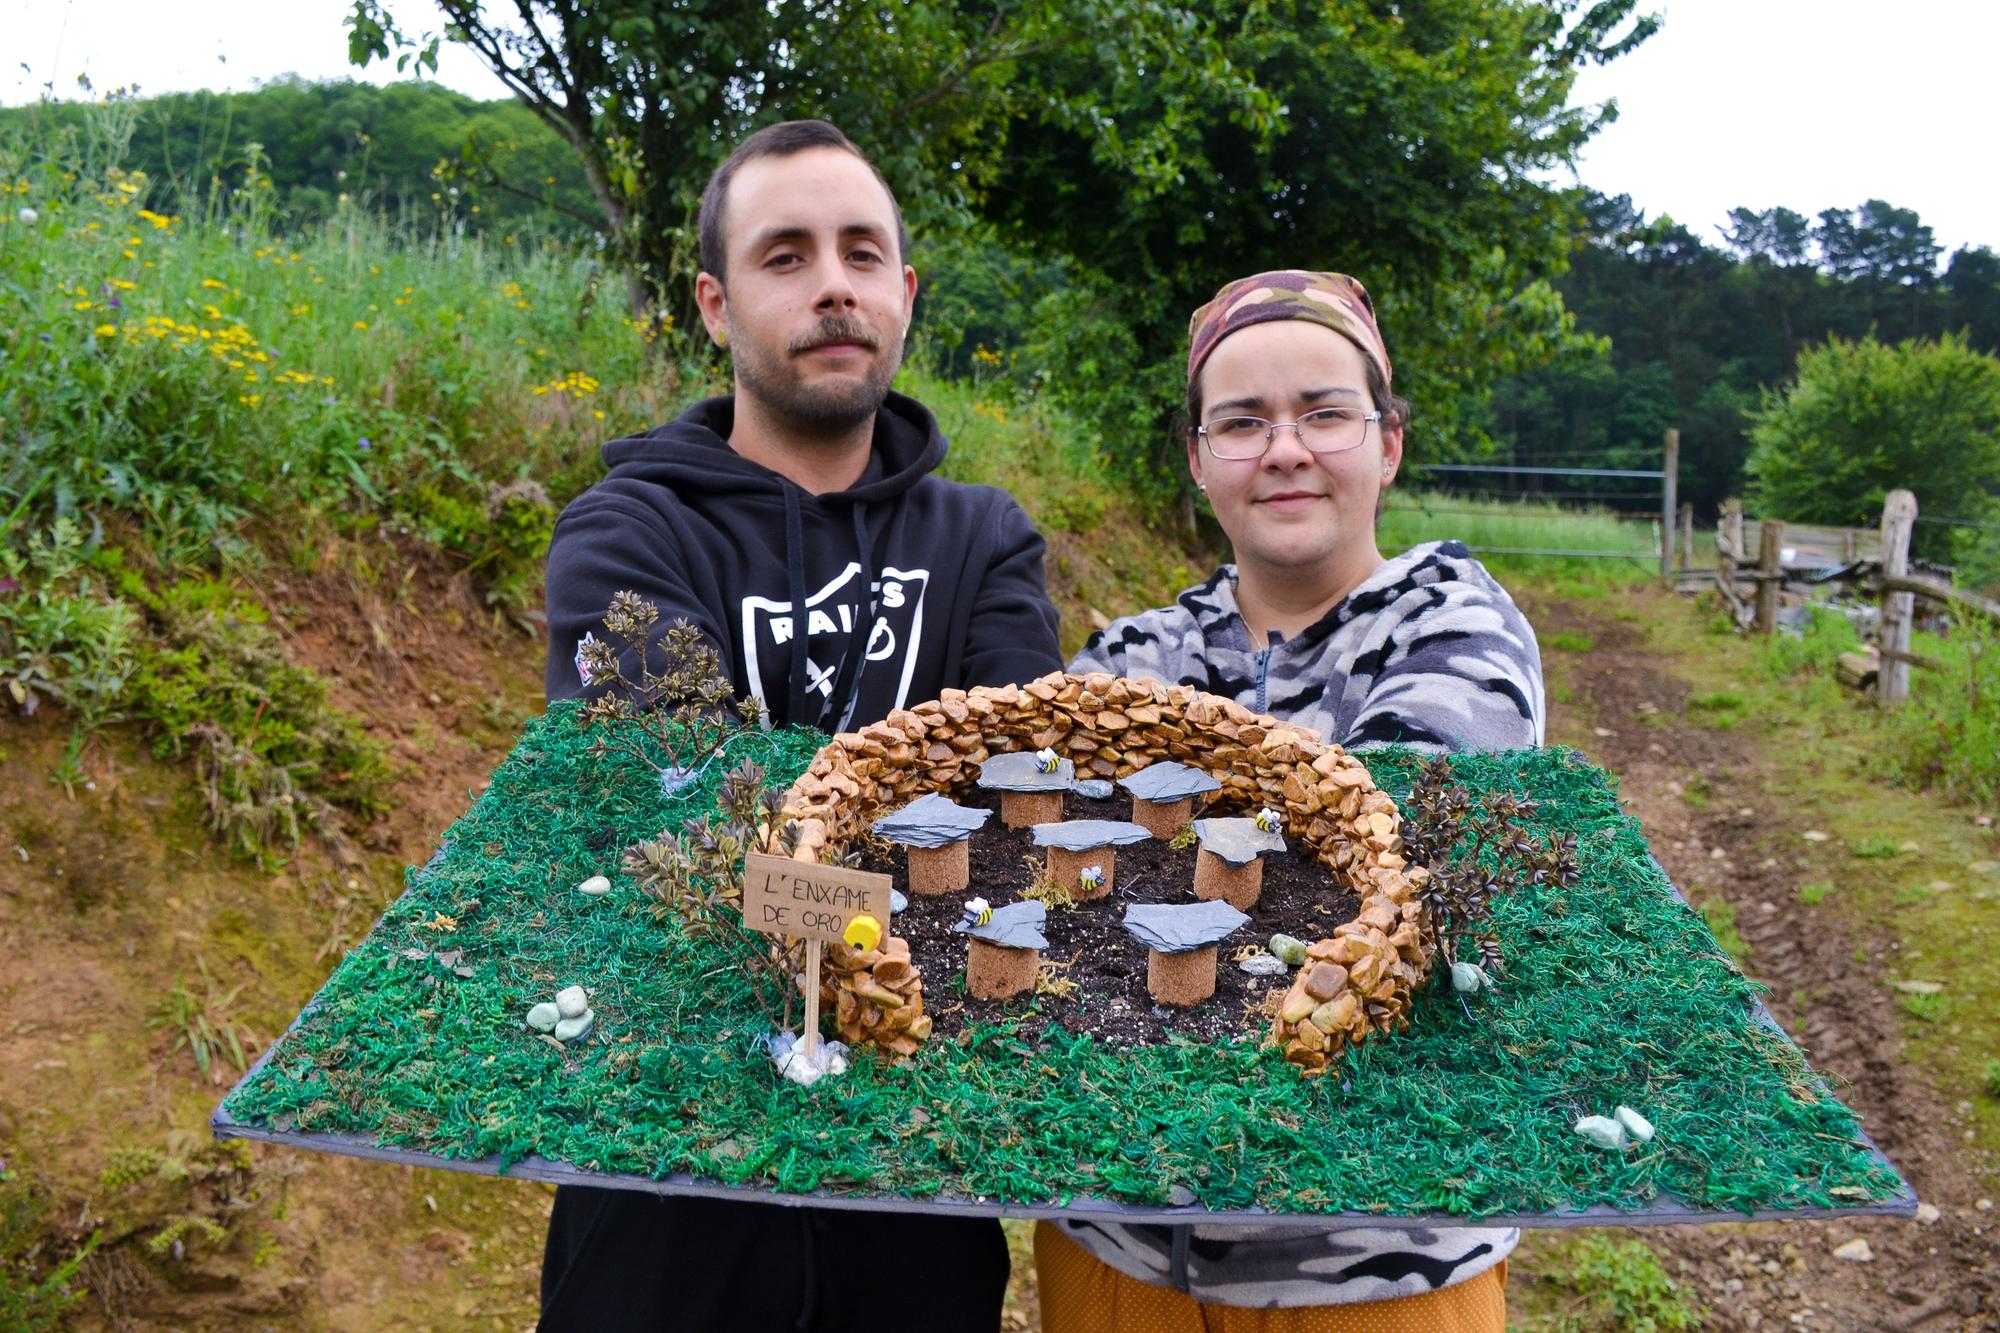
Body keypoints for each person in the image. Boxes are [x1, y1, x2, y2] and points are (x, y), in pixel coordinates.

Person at [538, 119, 1063, 1332]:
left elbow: (1016, 830)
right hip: (660, 1161)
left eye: (861, 252)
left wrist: (808, 870)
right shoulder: (627, 534)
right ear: (717, 307)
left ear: (903, 293)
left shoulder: (985, 540)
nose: (833, 282)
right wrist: (900, 875)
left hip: (917, 1166)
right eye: (786, 255)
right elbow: (661, 838)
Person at [1040, 270, 1543, 1331]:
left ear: (1387, 441)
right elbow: (1048, 869)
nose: (1284, 449)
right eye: (1241, 422)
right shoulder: (1130, 653)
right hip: (1118, 1242)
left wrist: (1150, 837)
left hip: (1384, 1260)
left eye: (1323, 412)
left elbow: (1374, 872)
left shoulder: (1454, 629)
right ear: (1196, 459)